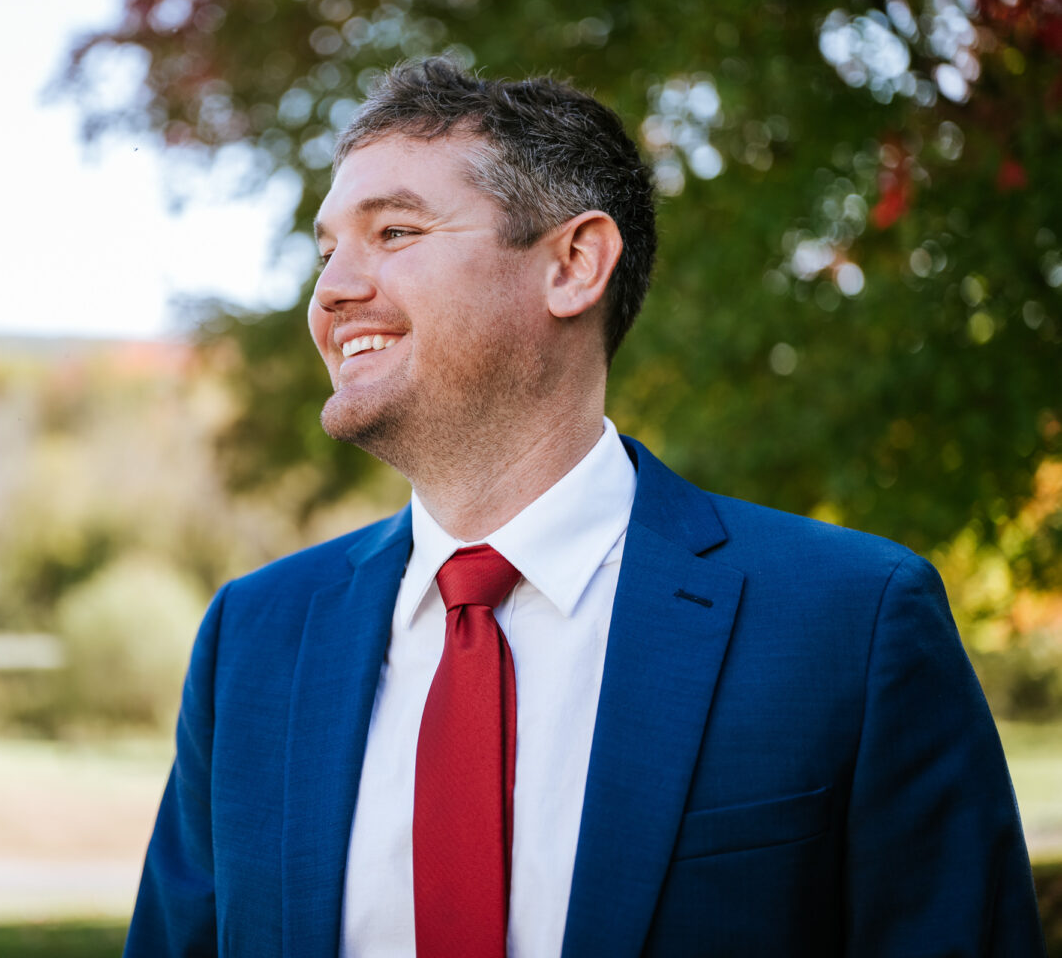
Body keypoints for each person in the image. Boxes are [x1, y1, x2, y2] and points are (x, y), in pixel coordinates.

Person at [123, 59, 1045, 957]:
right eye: (326, 250)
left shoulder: (854, 623)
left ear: (573, 263)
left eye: (394, 233)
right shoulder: (253, 639)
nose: (329, 292)